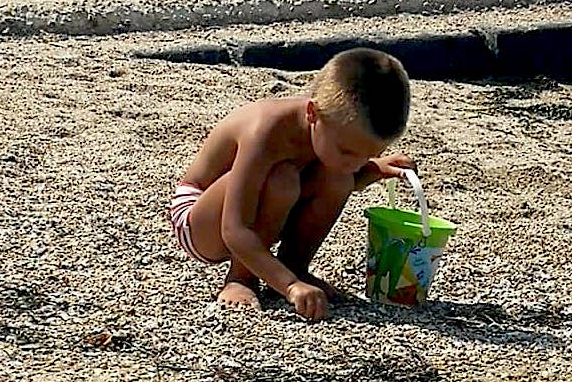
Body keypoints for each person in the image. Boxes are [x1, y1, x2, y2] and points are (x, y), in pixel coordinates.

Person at [168, 47, 415, 320]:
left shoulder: (331, 130)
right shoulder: (267, 131)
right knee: (281, 180)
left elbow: (339, 176)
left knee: (337, 177)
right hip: (198, 221)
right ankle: (240, 277)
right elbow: (234, 228)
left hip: (256, 205)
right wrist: (290, 287)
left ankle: (294, 266)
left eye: (367, 154)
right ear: (312, 114)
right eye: (347, 152)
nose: (355, 163)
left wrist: (375, 169)